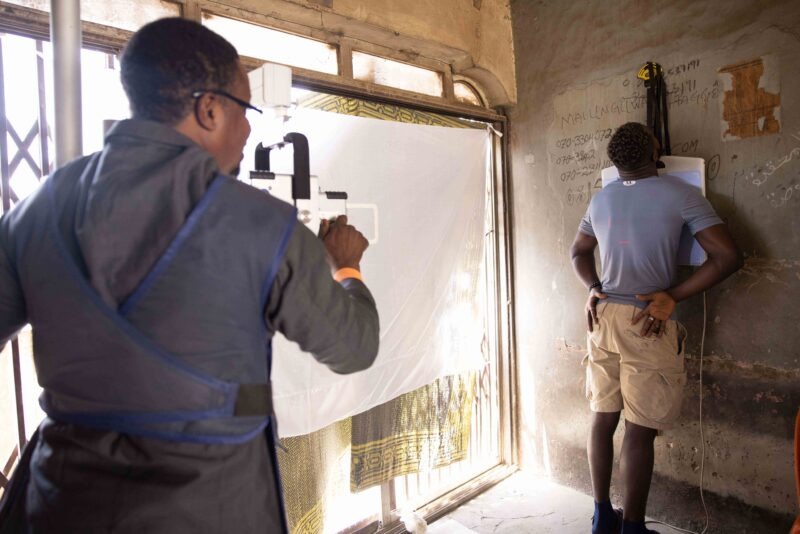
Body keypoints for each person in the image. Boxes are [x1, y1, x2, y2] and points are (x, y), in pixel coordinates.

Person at [0, 17, 379, 533]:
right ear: (209, 108)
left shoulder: (35, 211)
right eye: (245, 110)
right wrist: (346, 267)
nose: (249, 129)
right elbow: (352, 347)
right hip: (210, 506)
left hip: (59, 502)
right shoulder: (261, 224)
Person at [570, 122, 742, 534]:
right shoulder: (682, 195)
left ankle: (600, 518)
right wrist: (674, 296)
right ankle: (632, 528)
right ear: (656, 151)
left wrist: (594, 287)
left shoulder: (601, 199)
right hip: (646, 321)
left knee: (602, 416)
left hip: (603, 317)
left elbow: (578, 251)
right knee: (639, 429)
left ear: (616, 161)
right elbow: (728, 257)